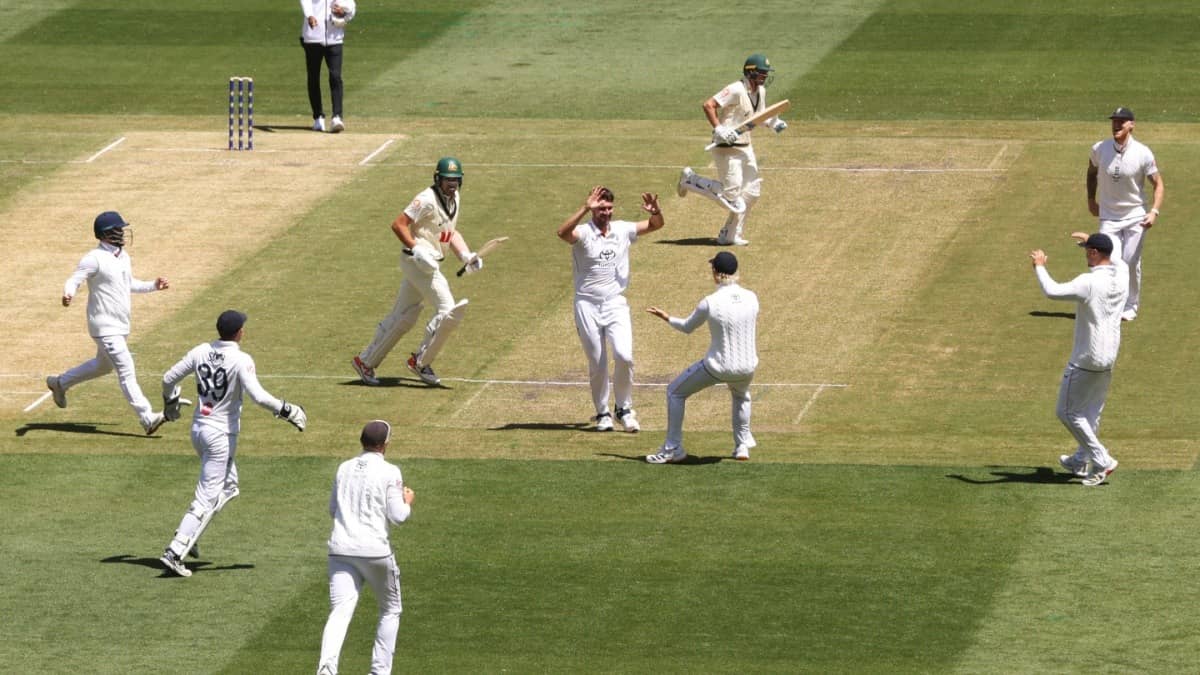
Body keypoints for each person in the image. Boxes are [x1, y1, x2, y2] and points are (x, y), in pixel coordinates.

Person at [157, 310, 307, 577]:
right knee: (206, 496)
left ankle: (192, 532)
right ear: (239, 333)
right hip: (220, 436)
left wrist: (170, 405)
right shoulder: (240, 359)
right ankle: (175, 550)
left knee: (229, 486)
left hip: (199, 430)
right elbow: (258, 397)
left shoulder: (200, 350)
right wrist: (288, 410)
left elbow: (168, 379)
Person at [352, 157, 483, 387]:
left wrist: (465, 255)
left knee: (404, 316)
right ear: (438, 179)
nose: (451, 185)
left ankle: (365, 362)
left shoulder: (455, 200)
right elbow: (398, 224)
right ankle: (421, 361)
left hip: (431, 263)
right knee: (448, 309)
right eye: (447, 180)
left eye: (455, 180)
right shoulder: (426, 200)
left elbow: (449, 232)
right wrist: (416, 248)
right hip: (417, 262)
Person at [45, 211, 170, 435]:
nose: (122, 232)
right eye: (118, 229)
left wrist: (153, 285)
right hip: (103, 326)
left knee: (102, 366)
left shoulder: (123, 257)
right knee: (126, 368)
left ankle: (59, 383)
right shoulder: (93, 258)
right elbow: (74, 279)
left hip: (120, 324)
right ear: (105, 234)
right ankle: (147, 417)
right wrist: (68, 294)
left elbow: (129, 284)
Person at [557, 185, 664, 432]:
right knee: (597, 362)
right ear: (594, 209)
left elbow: (655, 225)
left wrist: (656, 211)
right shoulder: (583, 232)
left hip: (616, 303)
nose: (605, 212)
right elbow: (562, 233)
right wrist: (585, 208)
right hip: (586, 304)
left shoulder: (623, 230)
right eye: (601, 208)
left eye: (609, 208)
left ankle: (624, 408)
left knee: (624, 355)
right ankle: (602, 412)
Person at [1031, 233, 1128, 487]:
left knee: (1066, 412)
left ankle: (1103, 459)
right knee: (1091, 412)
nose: (1086, 254)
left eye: (1088, 250)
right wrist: (1095, 240)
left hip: (1086, 358)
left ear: (1096, 253)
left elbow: (1052, 291)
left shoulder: (1088, 282)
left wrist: (1040, 266)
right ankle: (1080, 460)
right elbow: (1117, 258)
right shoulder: (1123, 274)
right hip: (1108, 357)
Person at [317, 420, 414, 675]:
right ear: (384, 445)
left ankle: (326, 671)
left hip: (340, 549)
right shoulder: (390, 471)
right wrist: (408, 501)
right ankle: (379, 672)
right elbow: (398, 516)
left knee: (340, 611)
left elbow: (332, 510)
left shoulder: (343, 468)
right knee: (391, 609)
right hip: (375, 552)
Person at [644, 252, 759, 463]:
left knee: (674, 392)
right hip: (747, 366)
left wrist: (667, 317)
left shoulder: (710, 302)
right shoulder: (752, 297)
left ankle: (672, 448)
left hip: (717, 367)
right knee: (741, 395)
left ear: (716, 273)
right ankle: (742, 446)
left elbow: (687, 327)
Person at [677, 53, 787, 246]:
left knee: (752, 193)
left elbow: (757, 116)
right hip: (726, 148)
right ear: (750, 72)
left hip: (746, 146)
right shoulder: (735, 89)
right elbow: (708, 105)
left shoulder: (760, 91)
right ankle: (690, 179)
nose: (764, 77)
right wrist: (719, 128)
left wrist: (772, 123)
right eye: (761, 73)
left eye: (765, 74)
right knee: (731, 196)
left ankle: (729, 235)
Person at [1086, 106, 1164, 321]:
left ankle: (1131, 305)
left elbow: (1158, 184)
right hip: (1109, 217)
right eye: (1114, 121)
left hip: (1135, 217)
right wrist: (1091, 199)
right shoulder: (1100, 149)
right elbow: (1091, 172)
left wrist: (1154, 212)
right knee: (1108, 260)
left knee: (1129, 261)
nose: (1116, 124)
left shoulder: (1143, 153)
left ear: (1131, 125)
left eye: (1122, 121)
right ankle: (1109, 302)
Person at [301, 0, 356, 133]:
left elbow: (352, 7)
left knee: (335, 76)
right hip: (313, 37)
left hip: (335, 38)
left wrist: (345, 14)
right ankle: (318, 118)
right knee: (313, 77)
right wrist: (309, 15)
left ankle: (337, 117)